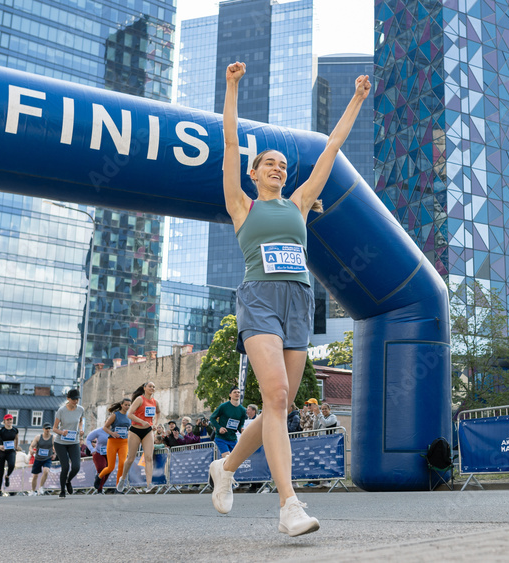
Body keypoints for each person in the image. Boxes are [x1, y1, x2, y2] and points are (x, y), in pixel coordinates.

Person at [208, 61, 369, 537]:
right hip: (259, 299)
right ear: (255, 173)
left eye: (282, 164)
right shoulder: (242, 204)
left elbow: (332, 148)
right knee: (275, 397)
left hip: (299, 300)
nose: (277, 167)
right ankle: (289, 505)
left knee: (282, 406)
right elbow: (231, 143)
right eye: (269, 164)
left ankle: (227, 466)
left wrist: (357, 99)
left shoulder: (299, 203)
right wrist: (232, 86)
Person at [120, 382, 158, 492]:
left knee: (149, 457)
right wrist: (142, 421)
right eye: (150, 386)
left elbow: (158, 413)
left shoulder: (155, 402)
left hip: (148, 431)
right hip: (135, 430)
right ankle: (122, 479)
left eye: (154, 386)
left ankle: (149, 484)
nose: (152, 388)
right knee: (131, 458)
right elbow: (129, 414)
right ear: (144, 388)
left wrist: (155, 423)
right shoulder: (139, 399)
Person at [53, 388, 85, 498]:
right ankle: (62, 490)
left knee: (76, 466)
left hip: (74, 441)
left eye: (77, 399)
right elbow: (54, 428)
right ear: (68, 399)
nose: (75, 401)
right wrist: (62, 432)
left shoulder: (80, 409)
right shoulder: (61, 411)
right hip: (60, 442)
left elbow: (80, 421)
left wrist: (81, 429)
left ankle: (68, 481)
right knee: (65, 466)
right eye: (73, 399)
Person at [96, 398, 131, 494]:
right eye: (126, 405)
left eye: (129, 405)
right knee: (110, 467)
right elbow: (105, 427)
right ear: (121, 405)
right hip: (113, 441)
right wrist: (112, 433)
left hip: (124, 442)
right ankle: (99, 477)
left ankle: (118, 488)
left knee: (122, 465)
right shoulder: (115, 415)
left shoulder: (130, 415)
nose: (127, 407)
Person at [209, 387, 248, 458]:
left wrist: (241, 429)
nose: (237, 394)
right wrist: (219, 428)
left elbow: (240, 424)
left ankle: (221, 468)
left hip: (233, 439)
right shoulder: (223, 406)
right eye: (235, 392)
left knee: (234, 461)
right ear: (230, 395)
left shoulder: (242, 410)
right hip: (221, 438)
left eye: (238, 392)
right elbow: (212, 418)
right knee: (227, 458)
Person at [0, 414, 20, 496]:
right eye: (7, 420)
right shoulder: (1, 431)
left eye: (11, 419)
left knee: (11, 465)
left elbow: (17, 439)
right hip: (1, 452)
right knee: (0, 471)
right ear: (4, 421)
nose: (9, 421)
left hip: (10, 451)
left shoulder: (15, 430)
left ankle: (7, 476)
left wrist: (16, 447)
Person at [29, 423, 55, 495]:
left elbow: (56, 448)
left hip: (47, 458)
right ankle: (33, 491)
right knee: (35, 476)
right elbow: (31, 446)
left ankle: (40, 487)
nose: (48, 430)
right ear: (43, 429)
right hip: (38, 458)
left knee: (46, 471)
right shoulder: (38, 437)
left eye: (49, 428)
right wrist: (31, 450)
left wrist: (54, 454)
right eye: (46, 428)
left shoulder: (53, 438)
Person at [85, 422, 110, 493]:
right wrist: (92, 449)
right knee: (102, 468)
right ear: (105, 423)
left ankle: (99, 482)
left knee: (109, 469)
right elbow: (88, 439)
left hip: (109, 453)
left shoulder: (114, 431)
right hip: (98, 452)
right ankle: (100, 489)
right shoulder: (98, 431)